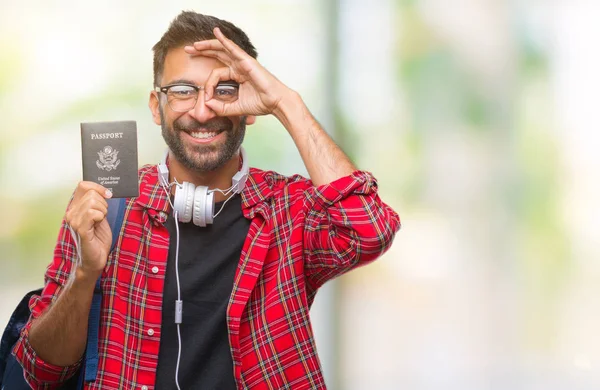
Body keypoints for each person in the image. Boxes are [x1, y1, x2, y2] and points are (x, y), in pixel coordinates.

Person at [13, 11, 400, 390]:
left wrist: (286, 103)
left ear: (250, 104)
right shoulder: (105, 206)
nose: (202, 110)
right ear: (156, 105)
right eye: (182, 90)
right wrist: (85, 273)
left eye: (225, 90)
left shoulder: (289, 209)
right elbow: (41, 370)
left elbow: (369, 231)